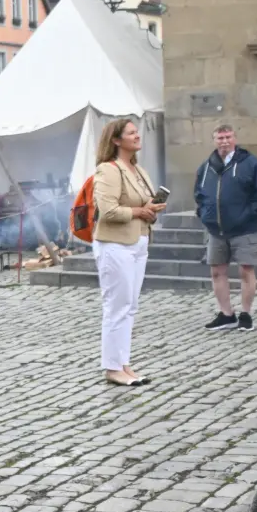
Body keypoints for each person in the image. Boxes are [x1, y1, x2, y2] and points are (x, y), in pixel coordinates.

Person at [91, 117, 164, 387]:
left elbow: (144, 206)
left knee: (129, 307)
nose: (137, 136)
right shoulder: (108, 170)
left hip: (139, 241)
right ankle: (112, 367)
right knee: (116, 307)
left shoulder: (139, 170)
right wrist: (139, 211)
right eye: (131, 133)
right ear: (116, 140)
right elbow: (108, 211)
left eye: (137, 132)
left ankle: (123, 362)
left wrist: (151, 210)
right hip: (114, 245)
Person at [196, 124, 257, 331]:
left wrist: (247, 216)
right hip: (216, 231)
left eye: (228, 137)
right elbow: (199, 195)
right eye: (220, 138)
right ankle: (227, 314)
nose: (224, 141)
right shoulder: (206, 166)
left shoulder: (251, 163)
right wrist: (203, 214)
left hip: (246, 229)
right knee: (217, 272)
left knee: (246, 271)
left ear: (235, 139)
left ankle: (246, 314)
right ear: (214, 141)